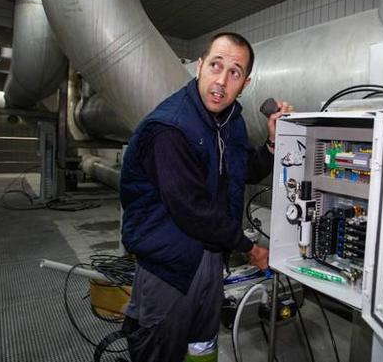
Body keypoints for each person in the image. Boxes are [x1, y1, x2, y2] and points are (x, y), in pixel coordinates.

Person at [119, 32, 291, 362]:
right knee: (159, 349)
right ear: (199, 66)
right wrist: (249, 248)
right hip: (168, 265)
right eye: (216, 65)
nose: (221, 81)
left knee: (202, 345)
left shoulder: (230, 122)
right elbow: (191, 209)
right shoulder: (170, 128)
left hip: (210, 257)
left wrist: (272, 144)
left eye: (235, 73)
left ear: (245, 83)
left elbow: (244, 171)